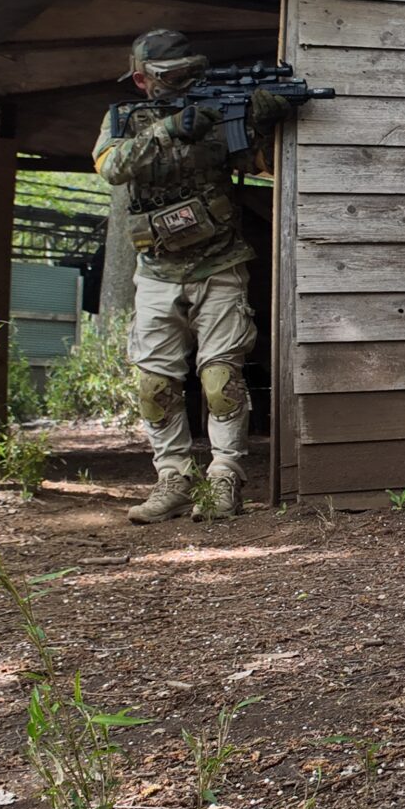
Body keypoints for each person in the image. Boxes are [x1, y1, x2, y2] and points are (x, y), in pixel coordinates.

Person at [93, 30, 292, 523]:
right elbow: (112, 167)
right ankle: (174, 480)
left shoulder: (217, 115)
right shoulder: (127, 119)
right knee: (154, 383)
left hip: (219, 262)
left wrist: (261, 122)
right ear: (142, 80)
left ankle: (225, 478)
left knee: (221, 378)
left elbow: (263, 166)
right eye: (171, 75)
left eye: (189, 72)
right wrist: (170, 129)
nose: (183, 81)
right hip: (157, 270)